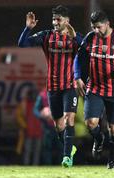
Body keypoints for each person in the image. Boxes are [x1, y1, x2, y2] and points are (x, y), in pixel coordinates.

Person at [74, 11, 114, 169]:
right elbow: (78, 57)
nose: (96, 30)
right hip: (95, 88)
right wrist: (77, 77)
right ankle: (98, 138)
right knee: (91, 123)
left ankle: (112, 162)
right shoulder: (90, 38)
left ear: (107, 23)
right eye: (93, 27)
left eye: (98, 27)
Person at [18, 5, 82, 167]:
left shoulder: (75, 37)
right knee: (58, 125)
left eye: (58, 19)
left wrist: (76, 38)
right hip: (53, 87)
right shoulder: (47, 36)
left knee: (69, 119)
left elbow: (87, 49)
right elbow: (22, 44)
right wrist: (27, 28)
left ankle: (67, 156)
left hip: (69, 86)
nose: (54, 22)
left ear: (67, 21)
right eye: (53, 19)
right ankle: (70, 148)